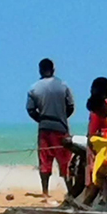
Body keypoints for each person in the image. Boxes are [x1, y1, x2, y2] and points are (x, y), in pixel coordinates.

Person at [26, 58, 75, 196]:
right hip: (61, 127)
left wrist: (41, 120)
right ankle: (71, 191)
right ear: (53, 70)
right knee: (65, 160)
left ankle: (45, 192)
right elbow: (71, 106)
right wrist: (62, 117)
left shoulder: (34, 88)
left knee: (45, 159)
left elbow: (30, 110)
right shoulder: (63, 86)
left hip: (44, 128)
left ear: (40, 70)